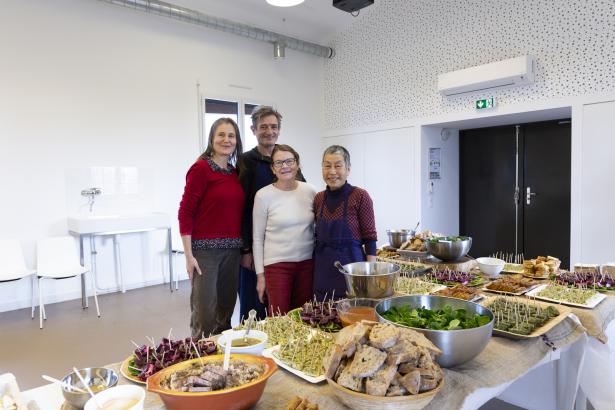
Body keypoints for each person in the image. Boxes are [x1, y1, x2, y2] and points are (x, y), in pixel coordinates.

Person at [178, 117, 245, 338]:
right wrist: (189, 255)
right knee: (205, 313)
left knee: (225, 311)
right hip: (205, 253)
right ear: (212, 139)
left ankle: (220, 362)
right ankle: (199, 359)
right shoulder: (201, 169)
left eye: (231, 135)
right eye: (221, 135)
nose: (226, 140)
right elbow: (185, 212)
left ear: (237, 141)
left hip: (232, 252)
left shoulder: (234, 173)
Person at [237, 106, 305, 320]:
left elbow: (302, 195)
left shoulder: (288, 161)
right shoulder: (245, 162)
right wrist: (246, 250)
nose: (269, 131)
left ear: (279, 129)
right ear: (253, 130)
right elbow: (242, 208)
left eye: (273, 126)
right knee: (254, 308)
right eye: (263, 127)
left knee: (284, 311)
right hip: (255, 248)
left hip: (285, 250)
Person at [252, 145, 316, 315]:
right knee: (279, 318)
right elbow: (257, 239)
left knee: (305, 317)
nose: (284, 166)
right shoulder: (263, 195)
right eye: (279, 162)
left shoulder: (310, 191)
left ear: (297, 164)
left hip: (307, 265)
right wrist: (260, 276)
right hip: (277, 266)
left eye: (289, 161)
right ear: (273, 168)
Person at [313, 145, 377, 300]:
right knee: (322, 316)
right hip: (322, 270)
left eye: (338, 166)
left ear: (348, 169)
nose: (332, 171)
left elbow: (370, 238)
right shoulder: (319, 198)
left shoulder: (360, 196)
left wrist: (370, 275)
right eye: (327, 166)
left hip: (352, 269)